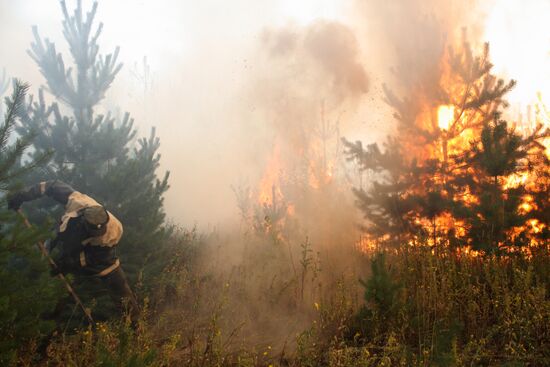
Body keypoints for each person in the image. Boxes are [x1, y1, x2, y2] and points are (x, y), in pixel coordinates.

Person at [7, 180, 139, 323]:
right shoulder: (78, 202)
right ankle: (49, 317)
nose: (94, 232)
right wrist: (22, 196)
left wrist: (69, 264)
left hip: (97, 253)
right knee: (53, 273)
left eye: (97, 231)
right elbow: (50, 186)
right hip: (66, 237)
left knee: (117, 284)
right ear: (83, 218)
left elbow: (94, 258)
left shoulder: (113, 231)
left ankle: (134, 323)